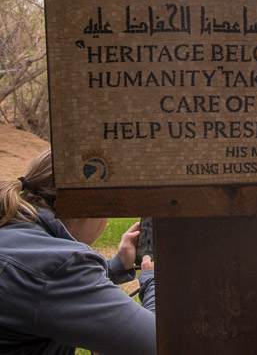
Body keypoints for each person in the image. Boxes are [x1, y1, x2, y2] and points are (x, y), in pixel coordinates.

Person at [0, 149, 156, 355]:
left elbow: (46, 290)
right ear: (88, 207)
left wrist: (117, 265)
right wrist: (152, 280)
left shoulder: (15, 233)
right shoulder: (57, 265)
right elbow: (158, 342)